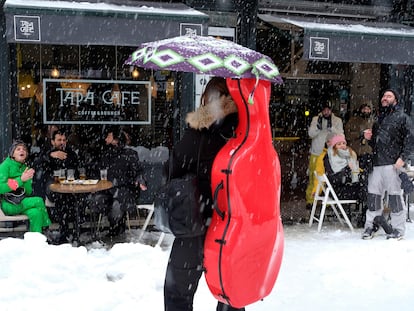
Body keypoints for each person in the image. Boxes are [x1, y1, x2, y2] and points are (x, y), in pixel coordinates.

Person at [164, 77, 243, 311]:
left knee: (178, 292)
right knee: (231, 294)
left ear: (207, 100)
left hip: (196, 223)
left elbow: (171, 170)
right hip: (233, 227)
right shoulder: (244, 132)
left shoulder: (199, 134)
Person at [362, 89, 414, 240]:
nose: (385, 98)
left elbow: (410, 139)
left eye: (389, 96)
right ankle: (371, 226)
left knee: (395, 198)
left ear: (395, 99)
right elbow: (376, 144)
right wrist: (369, 138)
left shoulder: (403, 117)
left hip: (393, 164)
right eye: (384, 96)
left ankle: (398, 229)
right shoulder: (379, 118)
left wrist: (403, 158)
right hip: (377, 163)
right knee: (373, 197)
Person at [88, 127, 147, 237]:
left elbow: (138, 171)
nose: (105, 139)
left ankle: (116, 229)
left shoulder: (129, 154)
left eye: (108, 137)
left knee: (117, 204)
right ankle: (114, 224)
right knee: (95, 200)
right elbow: (96, 171)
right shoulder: (104, 154)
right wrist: (94, 184)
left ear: (116, 139)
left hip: (125, 190)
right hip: (106, 190)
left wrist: (140, 180)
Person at [34, 129, 79, 243]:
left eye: (64, 140)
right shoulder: (47, 151)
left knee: (75, 198)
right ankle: (65, 230)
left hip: (69, 187)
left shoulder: (71, 153)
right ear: (53, 141)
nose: (62, 142)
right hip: (51, 187)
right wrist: (51, 155)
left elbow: (77, 169)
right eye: (59, 140)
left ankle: (73, 230)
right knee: (62, 197)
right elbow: (36, 163)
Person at [0, 140, 51, 232]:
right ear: (12, 154)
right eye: (18, 149)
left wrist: (28, 180)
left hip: (21, 202)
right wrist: (21, 180)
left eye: (24, 149)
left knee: (36, 213)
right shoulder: (5, 166)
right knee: (38, 200)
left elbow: (27, 192)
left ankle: (35, 240)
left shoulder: (24, 167)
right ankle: (46, 228)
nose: (22, 151)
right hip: (8, 204)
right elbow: (1, 188)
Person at [306, 101, 344, 209]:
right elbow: (311, 134)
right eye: (324, 110)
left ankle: (327, 201)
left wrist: (331, 128)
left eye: (328, 110)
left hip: (331, 153)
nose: (326, 112)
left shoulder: (337, 120)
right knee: (314, 176)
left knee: (329, 177)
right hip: (317, 151)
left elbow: (341, 135)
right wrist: (318, 127)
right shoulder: (315, 119)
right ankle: (310, 200)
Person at [312, 133, 363, 201]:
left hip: (346, 186)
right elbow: (333, 178)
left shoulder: (348, 154)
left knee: (366, 186)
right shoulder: (329, 158)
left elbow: (355, 170)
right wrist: (347, 169)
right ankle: (370, 210)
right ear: (334, 146)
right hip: (338, 190)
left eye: (343, 143)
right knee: (365, 191)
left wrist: (359, 172)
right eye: (339, 144)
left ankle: (368, 210)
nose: (342, 145)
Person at [344, 103, 375, 170]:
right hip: (355, 152)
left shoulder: (374, 121)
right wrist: (360, 134)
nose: (366, 111)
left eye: (368, 109)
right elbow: (347, 135)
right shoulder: (353, 121)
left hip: (369, 152)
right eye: (364, 109)